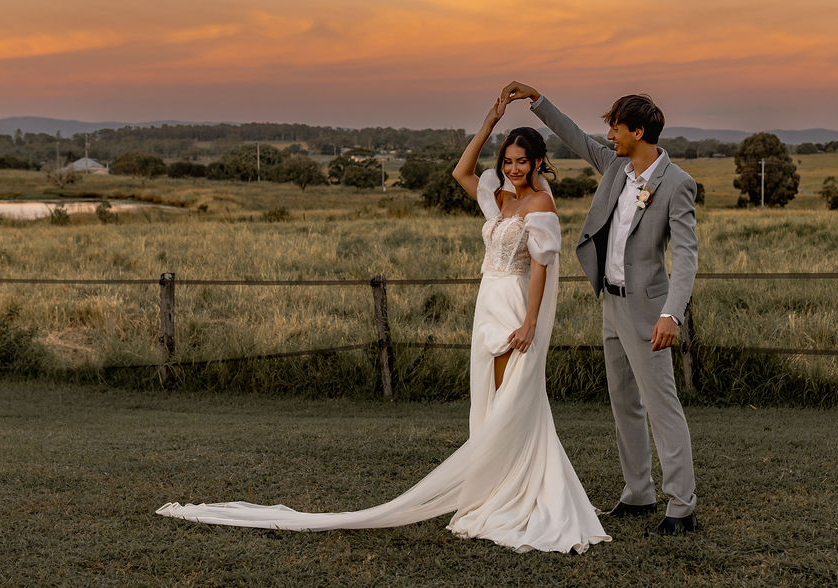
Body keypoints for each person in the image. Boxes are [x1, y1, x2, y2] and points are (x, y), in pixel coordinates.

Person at [157, 95, 611, 554]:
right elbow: (460, 172)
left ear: (537, 162)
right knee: (491, 403)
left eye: (522, 161)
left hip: (514, 305)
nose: (513, 168)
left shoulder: (539, 205)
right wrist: (489, 122)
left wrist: (531, 322)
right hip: (486, 304)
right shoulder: (497, 198)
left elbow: (540, 268)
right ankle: (497, 488)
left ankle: (514, 494)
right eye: (508, 160)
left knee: (512, 401)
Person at [501, 81, 699, 536]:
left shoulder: (678, 185)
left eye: (616, 127)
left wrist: (673, 314)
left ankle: (682, 505)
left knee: (662, 405)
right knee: (624, 402)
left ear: (640, 131)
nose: (609, 134)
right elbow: (573, 136)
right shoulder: (615, 168)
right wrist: (537, 101)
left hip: (649, 311)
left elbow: (686, 257)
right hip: (610, 302)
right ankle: (638, 492)